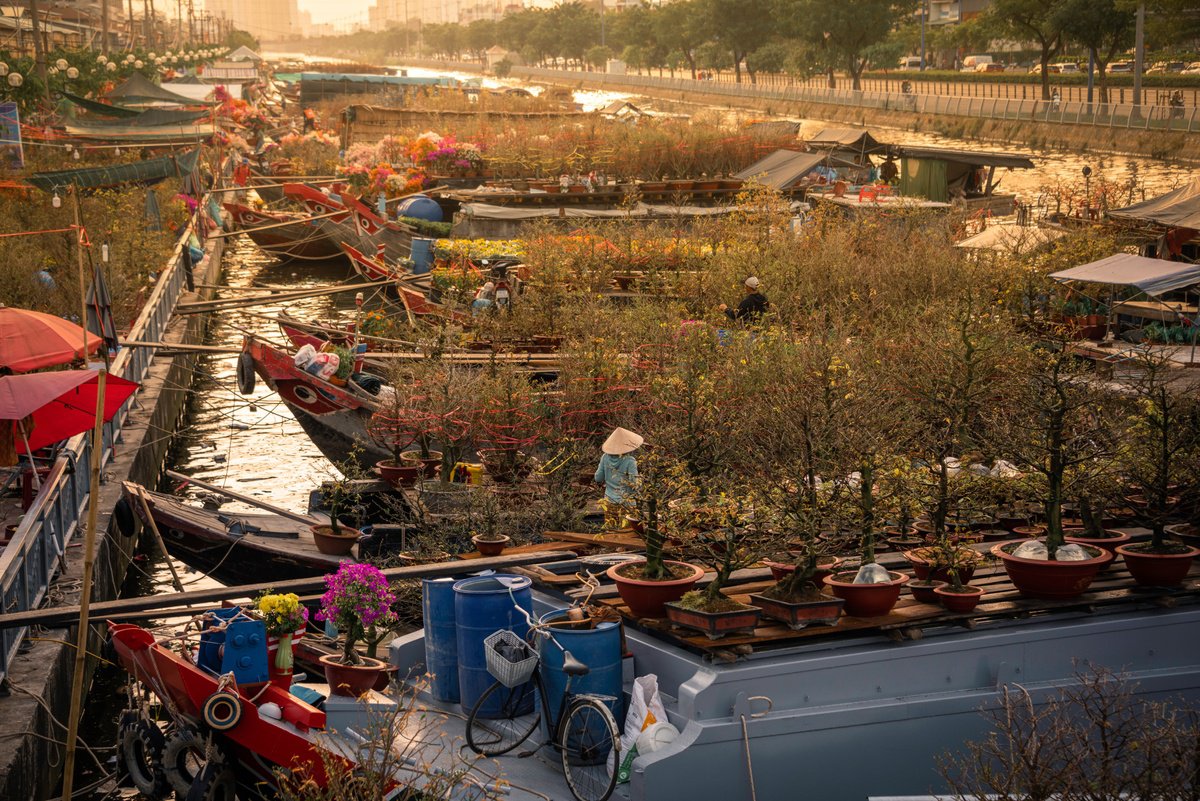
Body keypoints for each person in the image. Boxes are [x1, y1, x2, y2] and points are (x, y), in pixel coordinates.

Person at [594, 427, 642, 529]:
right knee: (627, 534)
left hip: (609, 500)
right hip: (627, 503)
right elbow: (635, 484)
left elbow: (598, 478)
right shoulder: (630, 461)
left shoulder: (605, 457)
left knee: (611, 532)